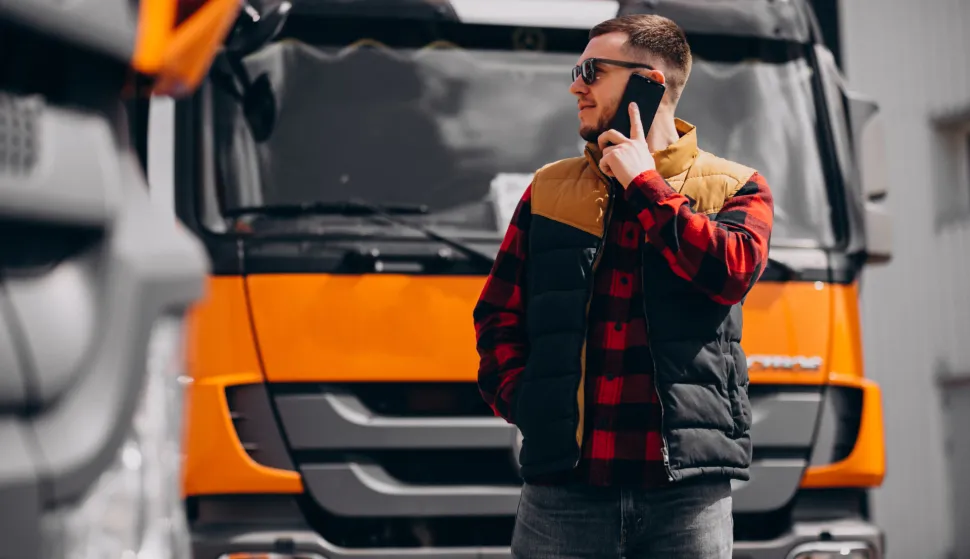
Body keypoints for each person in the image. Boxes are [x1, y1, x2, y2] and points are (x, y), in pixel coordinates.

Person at [473, 13, 774, 559]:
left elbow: (729, 271)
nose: (575, 85)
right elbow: (497, 317)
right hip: (562, 492)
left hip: (687, 496)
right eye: (577, 69)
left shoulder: (738, 186)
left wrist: (644, 185)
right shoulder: (547, 189)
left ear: (649, 83)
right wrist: (532, 406)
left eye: (591, 70)